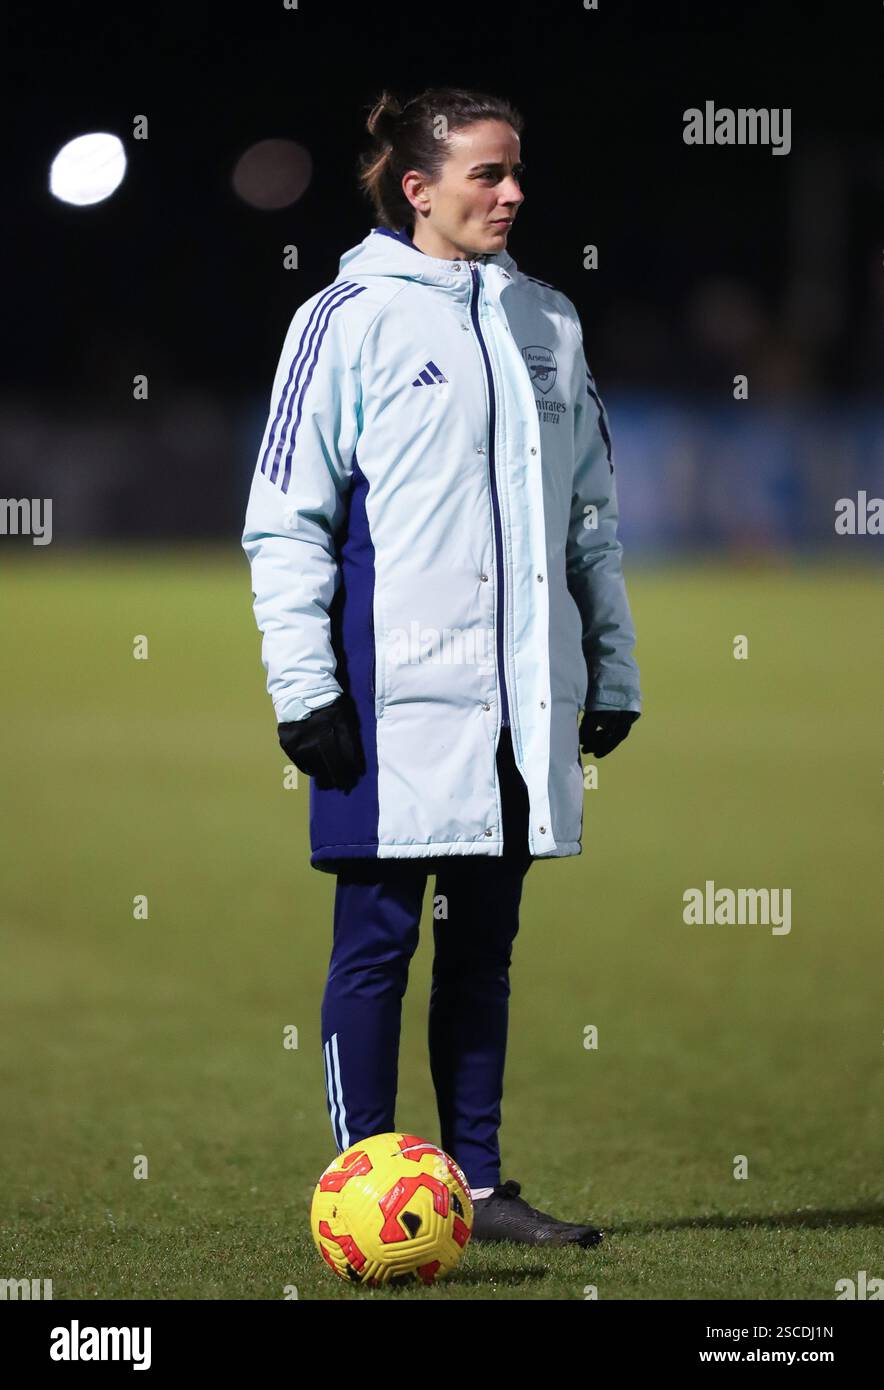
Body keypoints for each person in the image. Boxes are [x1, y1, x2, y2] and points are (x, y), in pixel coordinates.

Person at [241, 86, 641, 1247]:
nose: (510, 193)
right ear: (416, 189)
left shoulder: (549, 323)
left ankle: (477, 1184)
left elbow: (590, 520)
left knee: (484, 949)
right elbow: (285, 521)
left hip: (516, 710)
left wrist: (608, 667)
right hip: (387, 700)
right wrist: (303, 689)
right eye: (484, 174)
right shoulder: (345, 316)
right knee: (376, 942)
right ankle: (361, 1185)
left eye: (516, 173)